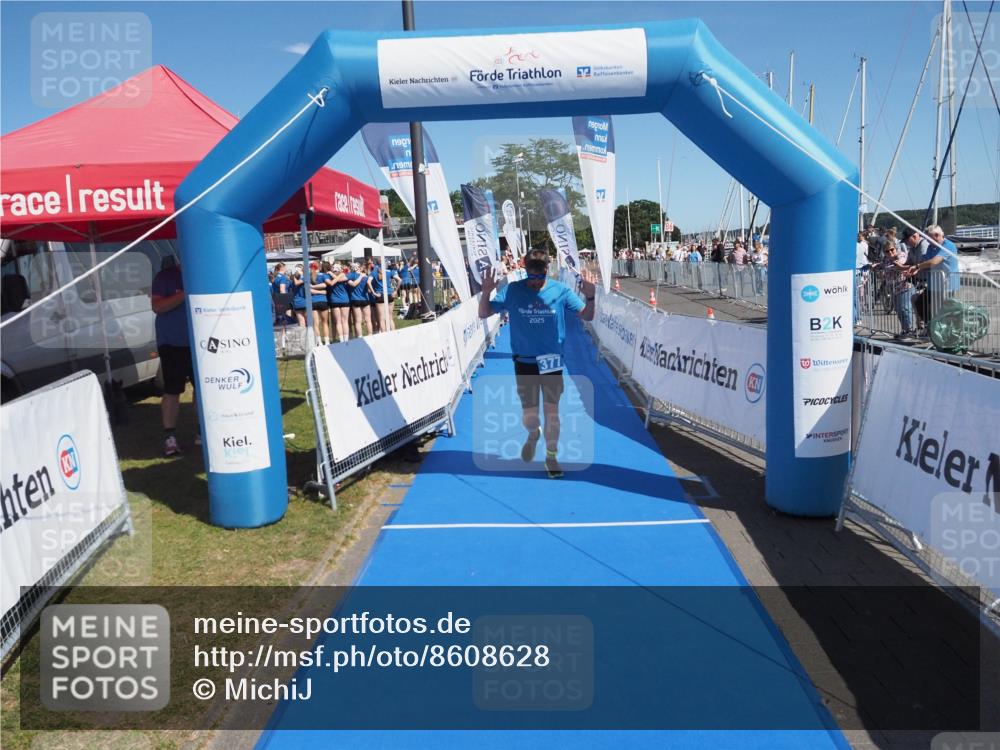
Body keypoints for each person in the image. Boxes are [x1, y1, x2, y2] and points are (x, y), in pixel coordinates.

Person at [478, 250, 596, 479]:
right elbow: (484, 312)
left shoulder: (560, 290)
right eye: (531, 278)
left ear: (546, 271)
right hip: (524, 361)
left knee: (552, 412)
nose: (535, 283)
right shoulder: (513, 290)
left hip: (551, 361)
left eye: (539, 278)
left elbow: (587, 316)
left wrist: (591, 298)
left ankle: (551, 456)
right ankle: (533, 433)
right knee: (530, 416)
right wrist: (485, 292)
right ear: (525, 271)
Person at [150, 256, 198, 457]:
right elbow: (158, 306)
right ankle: (170, 437)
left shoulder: (202, 273)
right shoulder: (165, 277)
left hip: (201, 342)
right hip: (172, 343)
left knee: (203, 389)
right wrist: (184, 294)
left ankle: (203, 432)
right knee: (172, 390)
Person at [908, 224, 960, 327]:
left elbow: (934, 261)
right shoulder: (931, 247)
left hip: (947, 285)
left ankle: (940, 330)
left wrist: (918, 266)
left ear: (936, 235)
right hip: (934, 284)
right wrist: (916, 269)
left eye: (928, 238)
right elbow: (926, 261)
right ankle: (932, 327)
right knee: (919, 302)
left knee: (942, 310)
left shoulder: (948, 245)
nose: (927, 241)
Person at [325, 262, 351, 342]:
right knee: (344, 321)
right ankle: (345, 339)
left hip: (335, 300)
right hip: (344, 300)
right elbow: (339, 279)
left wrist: (332, 274)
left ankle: (342, 339)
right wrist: (340, 274)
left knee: (338, 322)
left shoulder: (330, 276)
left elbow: (336, 280)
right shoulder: (343, 275)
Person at [346, 262, 372, 337]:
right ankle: (370, 335)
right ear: (359, 267)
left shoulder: (350, 275)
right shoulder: (365, 276)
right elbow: (369, 289)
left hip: (355, 299)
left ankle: (360, 337)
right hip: (365, 299)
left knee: (358, 321)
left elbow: (352, 284)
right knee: (368, 319)